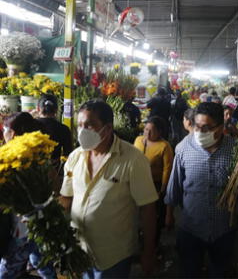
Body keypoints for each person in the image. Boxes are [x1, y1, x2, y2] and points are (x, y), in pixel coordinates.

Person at [59, 100, 158, 278]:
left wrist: (148, 252)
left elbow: (148, 208)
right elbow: (66, 199)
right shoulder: (75, 157)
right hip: (78, 250)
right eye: (80, 125)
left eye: (90, 125)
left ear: (108, 127)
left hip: (113, 256)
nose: (83, 131)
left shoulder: (133, 159)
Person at [164, 102, 238, 278]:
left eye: (206, 128)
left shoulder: (236, 149)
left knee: (219, 272)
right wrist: (168, 216)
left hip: (223, 228)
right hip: (191, 228)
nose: (200, 132)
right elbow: (174, 186)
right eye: (197, 126)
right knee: (190, 271)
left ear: (220, 127)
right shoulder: (183, 148)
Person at [0, 113, 55, 279]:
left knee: (6, 273)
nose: (3, 133)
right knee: (43, 264)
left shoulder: (10, 160)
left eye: (4, 130)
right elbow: (54, 185)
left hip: (20, 230)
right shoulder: (40, 157)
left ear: (13, 134)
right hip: (40, 224)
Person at [134, 117, 174, 250]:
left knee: (153, 215)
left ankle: (152, 245)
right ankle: (140, 242)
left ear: (160, 131)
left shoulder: (164, 146)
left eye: (151, 131)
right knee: (138, 214)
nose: (147, 133)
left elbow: (167, 169)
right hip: (138, 183)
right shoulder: (138, 140)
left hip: (155, 185)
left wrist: (163, 188)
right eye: (145, 129)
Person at [35, 94, 72, 166]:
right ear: (56, 110)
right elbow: (68, 155)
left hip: (33, 171)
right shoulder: (63, 129)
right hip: (55, 170)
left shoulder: (31, 125)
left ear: (38, 109)